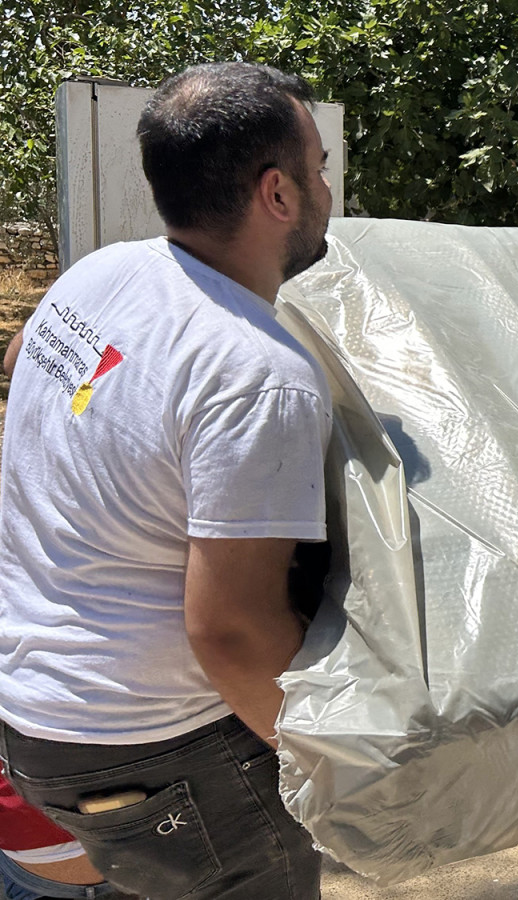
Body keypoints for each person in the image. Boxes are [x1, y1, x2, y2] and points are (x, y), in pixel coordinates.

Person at [0, 61, 334, 899]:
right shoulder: (260, 373)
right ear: (278, 193)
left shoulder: (101, 273)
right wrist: (331, 765)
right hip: (159, 753)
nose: (327, 189)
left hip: (31, 722)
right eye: (319, 169)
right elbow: (231, 631)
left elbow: (21, 356)